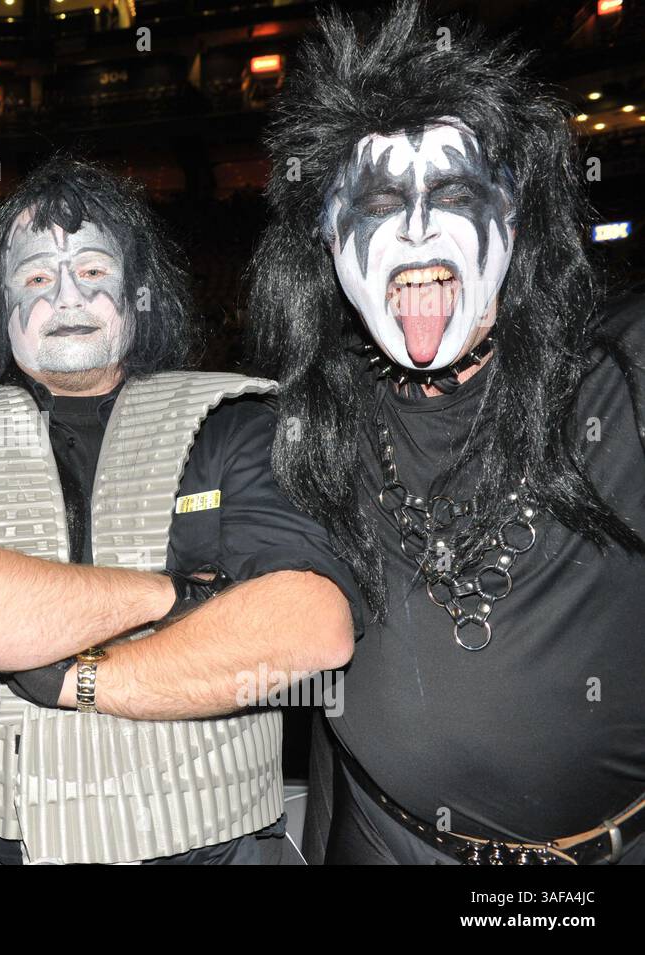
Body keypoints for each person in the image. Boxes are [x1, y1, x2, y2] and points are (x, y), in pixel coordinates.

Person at [0, 157, 360, 865]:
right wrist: (174, 595)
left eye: (93, 270)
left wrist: (81, 679)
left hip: (205, 845)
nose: (67, 294)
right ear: (4, 309)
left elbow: (307, 626)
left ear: (139, 294)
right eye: (38, 278)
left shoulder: (233, 423)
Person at [247, 0, 645, 864]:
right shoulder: (305, 420)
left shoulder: (627, 367)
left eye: (457, 192)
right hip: (386, 842)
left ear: (514, 218)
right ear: (325, 240)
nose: (419, 226)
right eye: (379, 199)